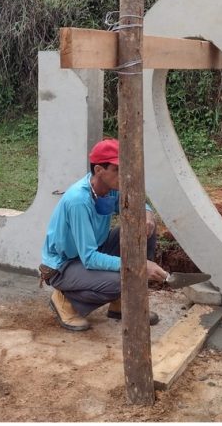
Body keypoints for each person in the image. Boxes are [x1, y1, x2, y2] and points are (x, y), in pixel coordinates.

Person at [39, 138, 169, 331]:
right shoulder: (78, 201)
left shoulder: (111, 188)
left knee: (143, 229)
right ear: (99, 170)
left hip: (95, 248)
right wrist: (139, 265)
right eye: (117, 169)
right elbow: (89, 257)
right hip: (65, 265)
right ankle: (65, 299)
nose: (124, 174)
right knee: (122, 280)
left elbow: (138, 203)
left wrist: (147, 214)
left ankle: (121, 303)